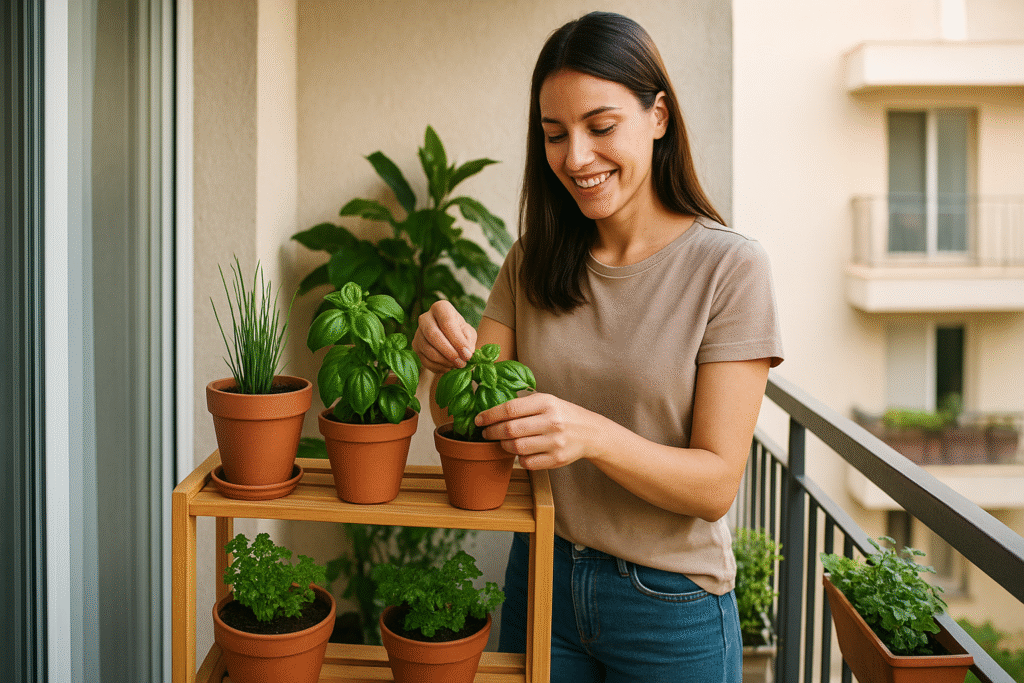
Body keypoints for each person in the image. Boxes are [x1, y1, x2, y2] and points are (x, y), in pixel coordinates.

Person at [412, 11, 783, 683]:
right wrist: (440, 359)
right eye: (554, 135)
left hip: (671, 607)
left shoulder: (729, 269)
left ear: (659, 116)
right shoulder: (532, 262)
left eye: (601, 127)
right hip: (542, 576)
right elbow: (459, 419)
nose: (575, 157)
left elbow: (716, 483)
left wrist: (591, 434)